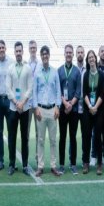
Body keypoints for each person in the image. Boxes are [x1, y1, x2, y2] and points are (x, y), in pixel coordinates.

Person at [33, 45, 62, 177]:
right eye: (43, 54)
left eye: (46, 54)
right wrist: (36, 108)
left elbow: (58, 91)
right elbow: (34, 92)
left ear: (49, 56)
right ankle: (40, 166)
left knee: (53, 140)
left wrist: (58, 106)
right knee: (40, 140)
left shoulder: (54, 72)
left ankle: (53, 166)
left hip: (52, 110)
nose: (45, 56)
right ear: (41, 56)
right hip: (41, 110)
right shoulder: (37, 73)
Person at [6, 41, 33, 176]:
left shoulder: (27, 68)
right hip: (13, 108)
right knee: (12, 137)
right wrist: (17, 102)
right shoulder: (10, 68)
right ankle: (11, 164)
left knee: (24, 138)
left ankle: (25, 165)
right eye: (16, 51)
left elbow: (30, 88)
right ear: (14, 52)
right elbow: (8, 88)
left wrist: (22, 103)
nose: (18, 53)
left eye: (20, 51)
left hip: (25, 108)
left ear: (23, 52)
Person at [57, 44, 81, 174]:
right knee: (62, 137)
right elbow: (58, 90)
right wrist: (65, 103)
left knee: (73, 137)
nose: (68, 54)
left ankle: (73, 164)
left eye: (70, 52)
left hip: (74, 110)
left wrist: (71, 103)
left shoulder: (77, 71)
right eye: (67, 52)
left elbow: (78, 91)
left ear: (73, 54)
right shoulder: (59, 70)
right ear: (64, 54)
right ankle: (61, 164)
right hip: (62, 109)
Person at [81, 50, 104, 175]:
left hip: (99, 110)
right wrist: (90, 106)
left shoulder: (101, 75)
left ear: (95, 59)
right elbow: (85, 92)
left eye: (92, 57)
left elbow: (102, 93)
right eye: (89, 57)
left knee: (97, 137)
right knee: (86, 136)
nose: (91, 59)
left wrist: (95, 106)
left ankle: (99, 163)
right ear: (88, 60)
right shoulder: (85, 74)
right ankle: (86, 162)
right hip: (87, 110)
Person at [0, 39, 12, 170]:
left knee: (11, 131)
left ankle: (12, 161)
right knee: (0, 131)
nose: (1, 49)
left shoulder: (11, 62)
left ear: (5, 48)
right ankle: (1, 160)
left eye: (3, 47)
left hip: (9, 100)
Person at [75, 45, 87, 166]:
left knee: (85, 135)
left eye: (81, 52)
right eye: (78, 52)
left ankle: (85, 160)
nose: (80, 54)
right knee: (72, 135)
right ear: (75, 54)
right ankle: (72, 161)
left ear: (84, 54)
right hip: (74, 107)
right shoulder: (73, 69)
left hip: (85, 107)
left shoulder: (87, 70)